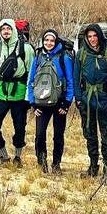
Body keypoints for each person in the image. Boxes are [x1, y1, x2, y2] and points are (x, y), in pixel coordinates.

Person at [0, 18, 35, 166]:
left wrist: (28, 97)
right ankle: (3, 155)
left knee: (19, 127)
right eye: (3, 29)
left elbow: (31, 74)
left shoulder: (26, 49)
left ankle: (18, 157)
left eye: (8, 29)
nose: (6, 32)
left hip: (19, 93)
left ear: (13, 30)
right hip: (1, 92)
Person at [73, 24, 107, 177]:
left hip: (105, 100)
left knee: (106, 134)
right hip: (86, 100)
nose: (92, 39)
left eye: (95, 36)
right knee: (89, 133)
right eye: (89, 36)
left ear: (100, 36)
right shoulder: (81, 54)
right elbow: (76, 77)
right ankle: (93, 166)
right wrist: (78, 99)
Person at [27, 29, 74, 173]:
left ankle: (56, 164)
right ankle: (42, 163)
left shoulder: (63, 57)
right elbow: (31, 81)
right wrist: (33, 103)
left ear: (56, 41)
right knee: (40, 135)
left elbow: (70, 81)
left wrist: (66, 103)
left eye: (52, 40)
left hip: (59, 103)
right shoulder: (38, 56)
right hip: (41, 103)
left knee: (58, 135)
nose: (48, 43)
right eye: (46, 40)